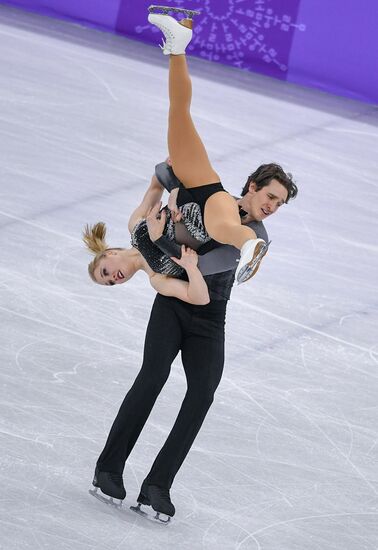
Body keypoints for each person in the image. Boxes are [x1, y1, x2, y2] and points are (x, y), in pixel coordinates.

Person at [146, 6, 296, 283]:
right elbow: (162, 169)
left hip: (197, 276)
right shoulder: (227, 202)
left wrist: (160, 239)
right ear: (253, 186)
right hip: (208, 188)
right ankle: (178, 48)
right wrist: (177, 188)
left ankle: (248, 245)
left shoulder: (259, 231)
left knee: (224, 228)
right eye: (271, 197)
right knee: (178, 113)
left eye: (279, 204)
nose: (273, 206)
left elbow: (197, 269)